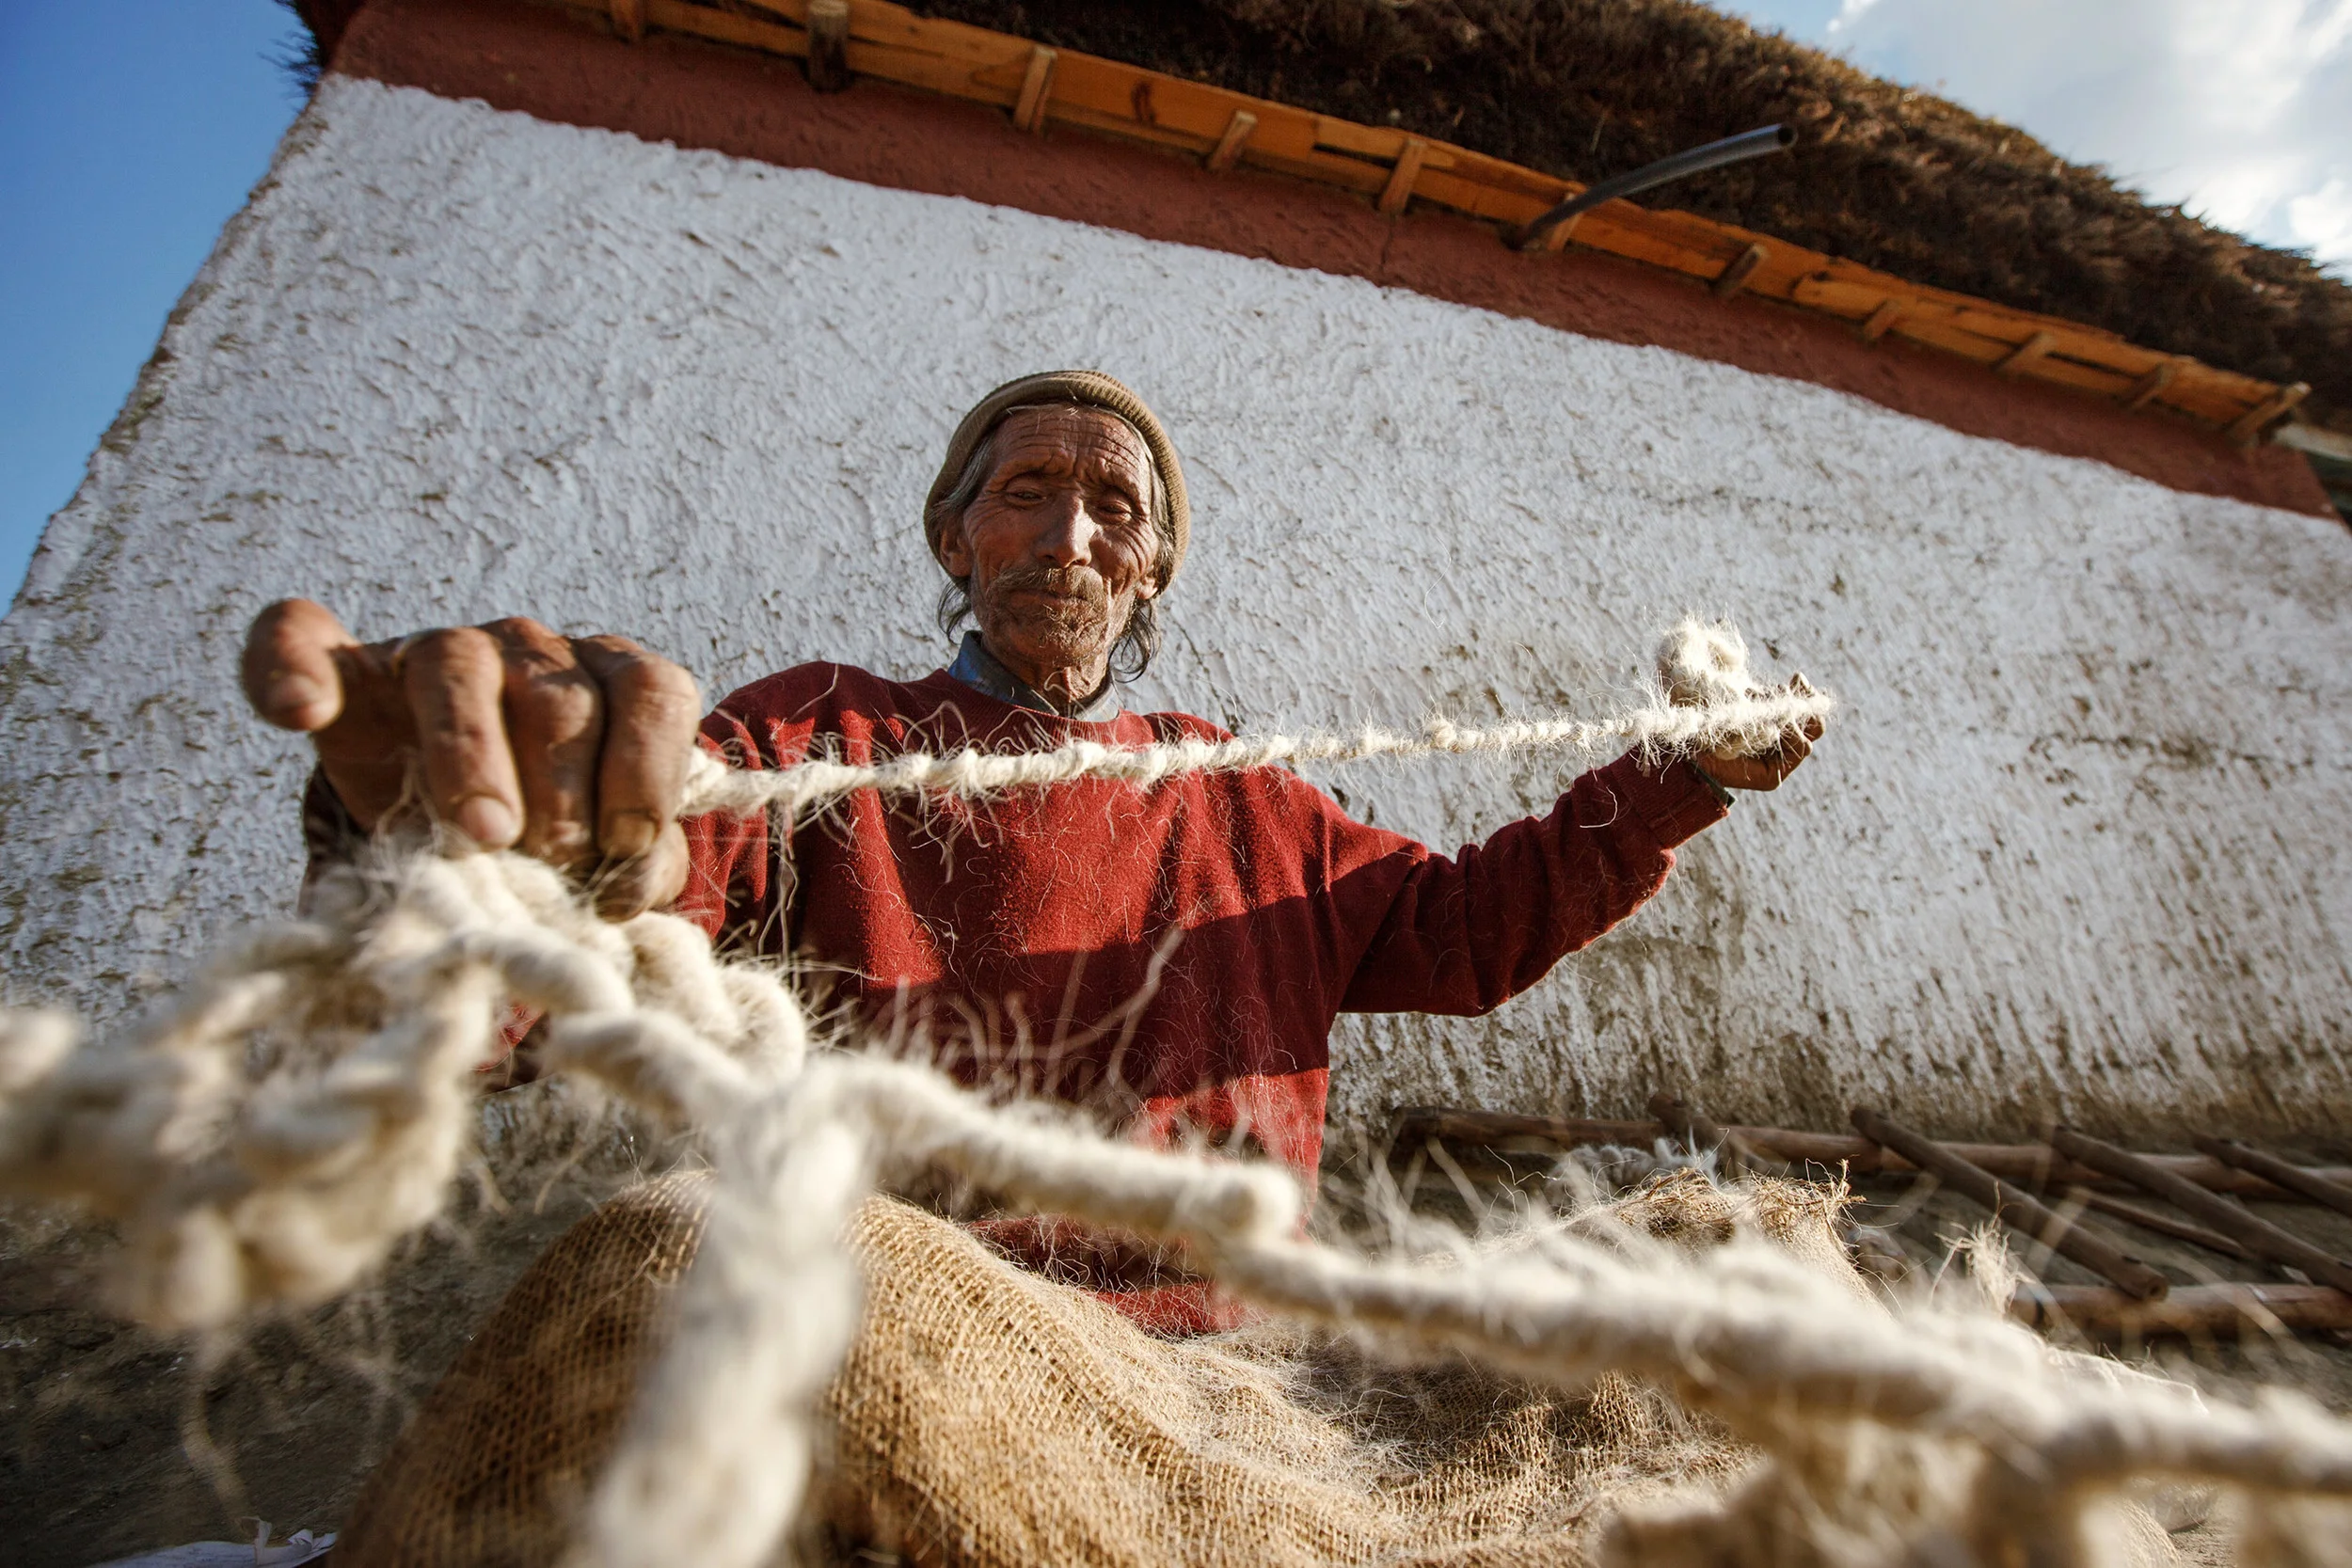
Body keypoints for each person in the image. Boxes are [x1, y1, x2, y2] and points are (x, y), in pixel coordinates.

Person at [242, 370, 1818, 1330]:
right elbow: (652, 879)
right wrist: (496, 857)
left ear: (1152, 570)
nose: (1070, 537)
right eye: (1027, 494)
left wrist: (1679, 780)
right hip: (898, 1344)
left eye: (1112, 509)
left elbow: (1470, 932)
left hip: (1228, 1366)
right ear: (957, 538)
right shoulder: (826, 742)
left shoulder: (1248, 796)